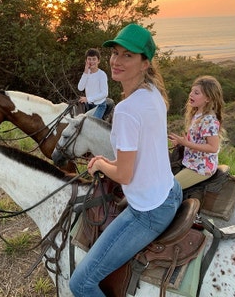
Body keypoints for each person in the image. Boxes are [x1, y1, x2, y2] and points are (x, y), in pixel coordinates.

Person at [69, 24, 182, 297]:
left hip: (148, 211)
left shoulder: (127, 109)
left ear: (145, 63)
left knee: (80, 284)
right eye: (115, 53)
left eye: (128, 55)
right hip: (170, 190)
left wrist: (99, 164)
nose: (117, 61)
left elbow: (124, 174)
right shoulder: (153, 92)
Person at [168, 75, 225, 190]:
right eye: (191, 91)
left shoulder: (209, 119)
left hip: (201, 168)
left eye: (196, 93)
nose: (191, 94)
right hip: (191, 161)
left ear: (208, 98)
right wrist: (180, 142)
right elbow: (197, 139)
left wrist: (187, 144)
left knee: (169, 188)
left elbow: (213, 147)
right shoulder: (196, 114)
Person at [77, 48, 109, 119]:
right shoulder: (86, 73)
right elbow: (80, 88)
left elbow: (105, 93)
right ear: (86, 61)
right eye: (89, 59)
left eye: (94, 59)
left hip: (99, 105)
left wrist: (88, 99)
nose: (91, 61)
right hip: (88, 105)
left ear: (98, 61)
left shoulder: (101, 74)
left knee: (91, 125)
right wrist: (85, 72)